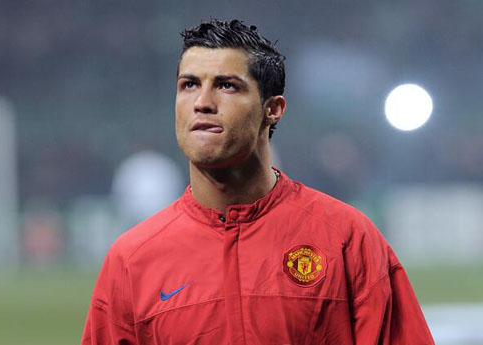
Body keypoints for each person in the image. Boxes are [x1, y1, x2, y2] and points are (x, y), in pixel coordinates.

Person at [81, 19, 435, 345]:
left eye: (227, 86)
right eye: (189, 85)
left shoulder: (346, 238)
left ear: (273, 108)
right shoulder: (132, 260)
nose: (202, 102)